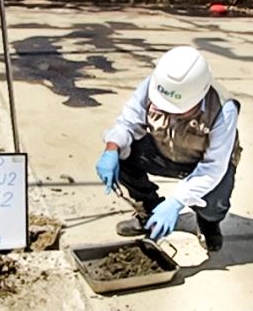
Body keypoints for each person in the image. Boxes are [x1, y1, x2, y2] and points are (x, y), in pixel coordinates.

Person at [95, 46, 241, 252]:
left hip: (202, 164)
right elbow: (127, 123)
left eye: (177, 110)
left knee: (215, 201)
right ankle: (149, 210)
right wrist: (111, 150)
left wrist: (176, 202)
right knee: (122, 152)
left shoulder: (224, 109)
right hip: (162, 152)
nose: (169, 112)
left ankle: (208, 223)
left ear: (199, 96)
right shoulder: (155, 86)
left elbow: (213, 167)